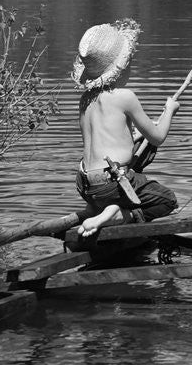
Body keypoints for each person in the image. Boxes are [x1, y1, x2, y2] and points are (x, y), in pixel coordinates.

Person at [72, 18, 179, 237]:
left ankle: (94, 209)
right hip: (112, 184)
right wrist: (169, 110)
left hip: (86, 184)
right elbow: (158, 137)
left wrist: (136, 135)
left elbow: (105, 140)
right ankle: (118, 213)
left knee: (124, 180)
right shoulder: (124, 97)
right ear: (121, 69)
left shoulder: (85, 101)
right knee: (167, 200)